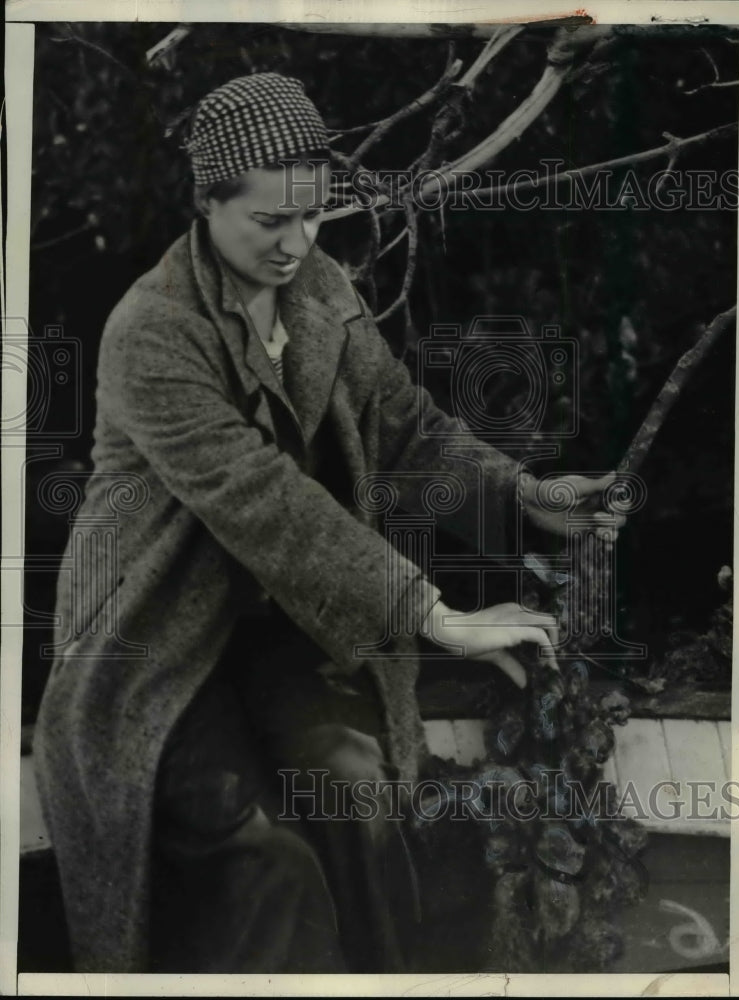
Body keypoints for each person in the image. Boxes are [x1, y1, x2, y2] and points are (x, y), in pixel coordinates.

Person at [34, 72, 621, 974]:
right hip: (149, 646)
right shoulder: (150, 330)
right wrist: (433, 614)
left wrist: (526, 498)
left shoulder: (321, 291)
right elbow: (264, 498)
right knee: (270, 864)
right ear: (207, 205)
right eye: (269, 222)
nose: (296, 244)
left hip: (283, 634)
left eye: (311, 217)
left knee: (358, 798)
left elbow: (407, 427)